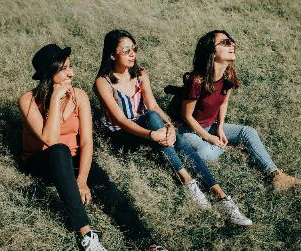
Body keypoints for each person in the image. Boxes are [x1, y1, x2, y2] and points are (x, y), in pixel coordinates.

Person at [94, 29, 252, 226]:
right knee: (153, 119)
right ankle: (188, 181)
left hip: (149, 127)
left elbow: (153, 105)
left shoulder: (141, 74)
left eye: (134, 48)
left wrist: (169, 126)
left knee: (176, 136)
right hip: (122, 135)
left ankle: (221, 196)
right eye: (126, 50)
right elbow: (121, 121)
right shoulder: (103, 82)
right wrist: (152, 134)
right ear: (111, 54)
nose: (132, 53)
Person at [19, 44, 162, 251]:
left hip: (74, 159)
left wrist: (83, 180)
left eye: (71, 66)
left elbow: (86, 142)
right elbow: (49, 139)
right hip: (43, 160)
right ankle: (87, 235)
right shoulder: (28, 100)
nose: (71, 73)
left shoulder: (79, 95)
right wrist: (55, 99)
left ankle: (149, 245)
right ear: (49, 74)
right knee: (60, 150)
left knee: (110, 190)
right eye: (64, 69)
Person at [178, 30, 301, 191]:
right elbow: (186, 116)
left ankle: (277, 176)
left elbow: (223, 102)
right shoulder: (197, 81)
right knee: (207, 154)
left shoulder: (228, 75)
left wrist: (220, 127)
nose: (232, 45)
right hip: (188, 128)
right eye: (225, 42)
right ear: (212, 52)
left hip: (210, 126)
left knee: (248, 132)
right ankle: (196, 148)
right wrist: (209, 137)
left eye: (232, 41)